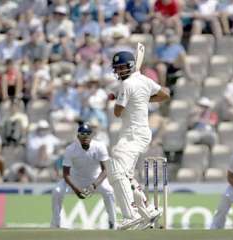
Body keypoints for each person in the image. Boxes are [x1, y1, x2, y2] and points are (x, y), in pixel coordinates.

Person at [108, 51, 170, 229]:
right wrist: (141, 98)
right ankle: (147, 209)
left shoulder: (126, 85)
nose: (119, 71)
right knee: (124, 174)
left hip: (133, 134)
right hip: (139, 133)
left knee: (116, 170)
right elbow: (164, 95)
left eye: (122, 68)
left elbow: (118, 112)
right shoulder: (144, 80)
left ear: (130, 67)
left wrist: (120, 97)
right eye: (117, 68)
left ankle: (131, 215)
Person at [51, 124, 116, 229]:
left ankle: (113, 222)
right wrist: (76, 190)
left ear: (92, 136)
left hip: (95, 179)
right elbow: (66, 174)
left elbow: (105, 170)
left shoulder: (100, 146)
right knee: (57, 191)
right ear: (78, 136)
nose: (85, 137)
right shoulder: (70, 149)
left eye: (88, 134)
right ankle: (55, 224)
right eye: (82, 134)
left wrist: (94, 185)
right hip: (75, 179)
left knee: (109, 191)